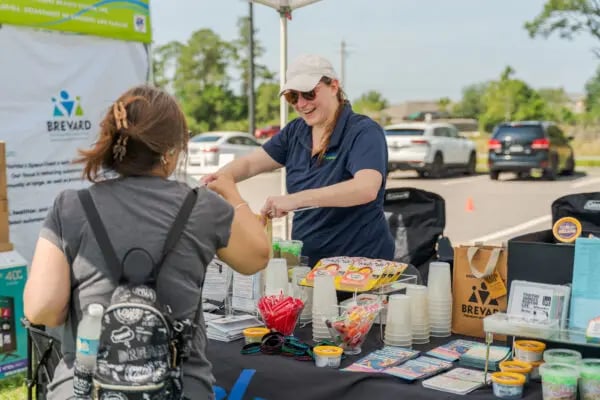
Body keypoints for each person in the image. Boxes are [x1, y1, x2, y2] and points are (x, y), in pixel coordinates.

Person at [23, 85, 270, 399]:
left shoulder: (71, 206)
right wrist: (232, 192)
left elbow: (41, 309)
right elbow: (257, 257)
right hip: (180, 389)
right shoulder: (202, 206)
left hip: (86, 389)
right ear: (171, 150)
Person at [203, 54, 394, 267]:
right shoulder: (296, 131)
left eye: (309, 94)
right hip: (308, 265)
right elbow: (250, 164)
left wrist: (295, 200)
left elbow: (366, 188)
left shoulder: (363, 131)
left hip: (359, 267)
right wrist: (219, 178)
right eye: (293, 97)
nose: (302, 104)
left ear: (334, 86)